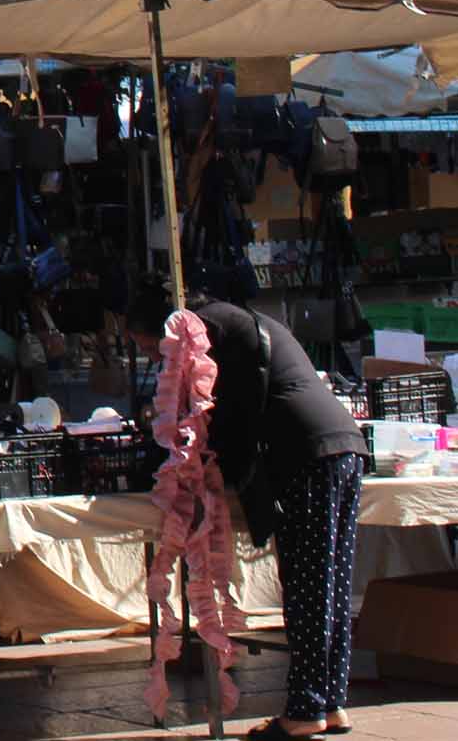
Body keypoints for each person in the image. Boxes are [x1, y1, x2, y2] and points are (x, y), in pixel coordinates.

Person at [127, 280, 369, 739]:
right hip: (342, 446)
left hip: (305, 453)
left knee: (309, 584)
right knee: (330, 582)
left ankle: (305, 709)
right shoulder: (234, 320)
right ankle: (330, 702)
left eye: (149, 347)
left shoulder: (201, 331)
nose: (156, 359)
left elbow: (223, 417)